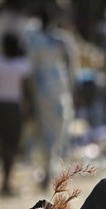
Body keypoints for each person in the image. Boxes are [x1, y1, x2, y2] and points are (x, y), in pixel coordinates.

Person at [27, 9, 76, 190]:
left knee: (49, 132)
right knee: (56, 131)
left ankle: (49, 170)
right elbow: (72, 67)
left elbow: (32, 69)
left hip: (43, 90)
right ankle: (49, 170)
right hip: (57, 90)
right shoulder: (62, 39)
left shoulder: (37, 40)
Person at [0, 31, 32, 196]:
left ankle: (4, 179)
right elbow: (26, 91)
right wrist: (28, 110)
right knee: (12, 145)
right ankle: (6, 180)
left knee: (1, 142)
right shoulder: (23, 65)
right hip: (15, 107)